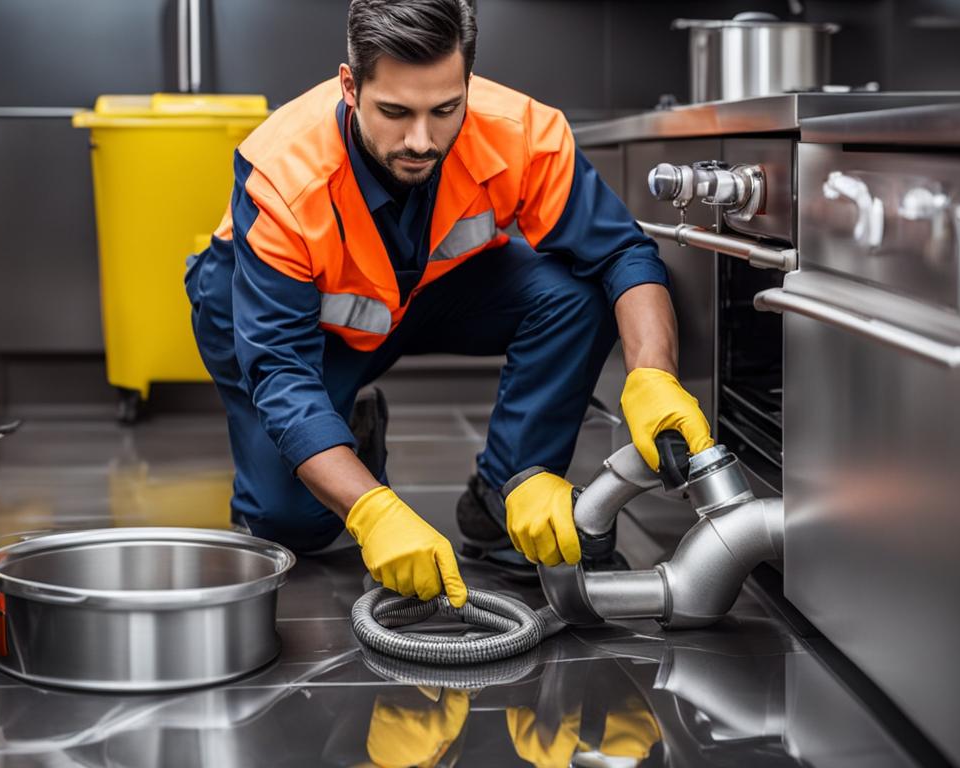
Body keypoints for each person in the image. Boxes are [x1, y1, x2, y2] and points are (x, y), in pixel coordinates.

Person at [186, 0, 713, 607]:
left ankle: (505, 492)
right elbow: (280, 370)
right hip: (287, 322)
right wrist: (371, 509)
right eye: (394, 111)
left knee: (576, 292)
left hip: (423, 287)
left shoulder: (520, 132)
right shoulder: (282, 172)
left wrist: (653, 377)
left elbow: (621, 253)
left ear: (467, 84)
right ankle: (344, 433)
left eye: (445, 110)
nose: (421, 140)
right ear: (350, 86)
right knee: (293, 523)